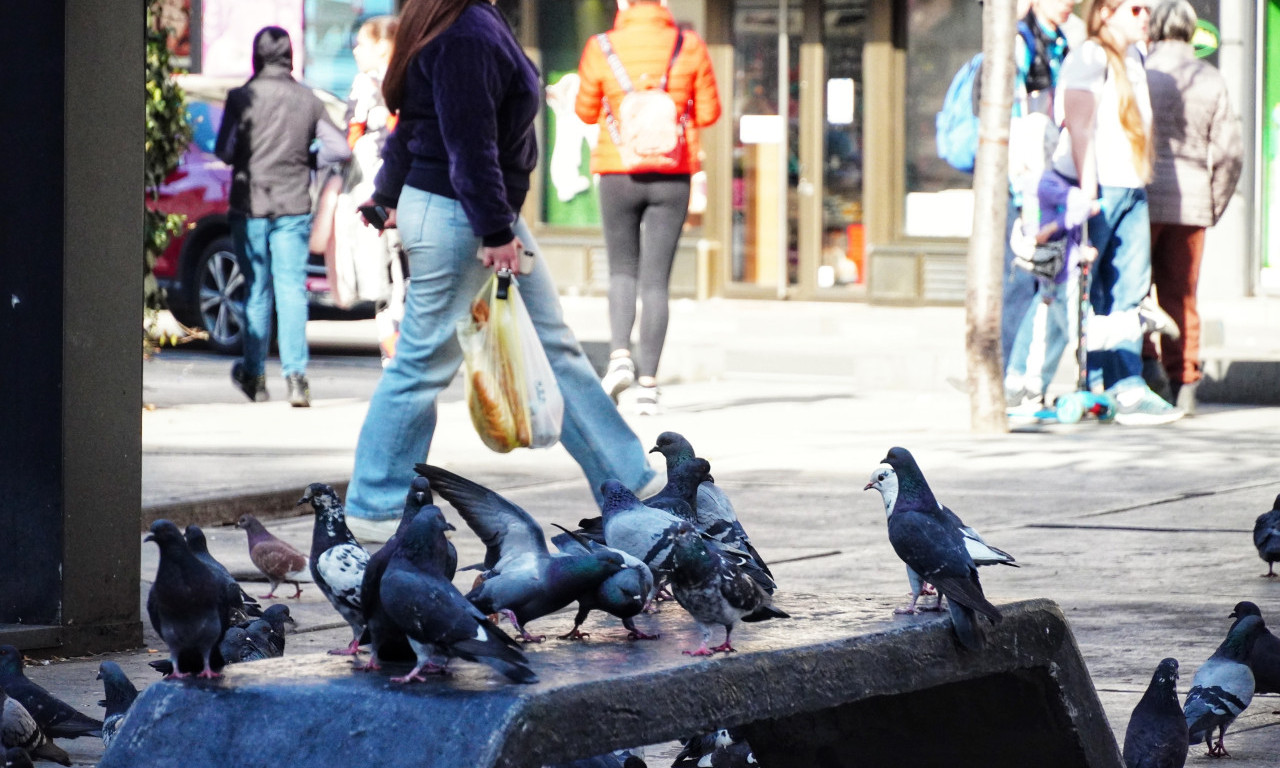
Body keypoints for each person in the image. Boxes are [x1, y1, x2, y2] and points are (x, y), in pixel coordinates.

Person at [342, 0, 659, 543]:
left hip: (469, 210)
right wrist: (493, 233)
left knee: (554, 346)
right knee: (420, 362)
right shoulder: (464, 31)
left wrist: (390, 193)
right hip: (463, 214)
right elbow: (470, 146)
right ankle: (374, 505)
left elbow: (415, 125)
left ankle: (630, 480)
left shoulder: (448, 21)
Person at [575, 0, 721, 416]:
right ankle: (649, 387)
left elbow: (585, 111)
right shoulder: (688, 44)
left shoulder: (601, 46)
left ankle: (620, 354)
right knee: (656, 282)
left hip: (617, 170)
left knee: (622, 270)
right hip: (672, 174)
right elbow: (709, 112)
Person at [1050, 0, 1183, 425]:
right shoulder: (1089, 54)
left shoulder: (1133, 57)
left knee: (1129, 288)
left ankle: (1123, 385)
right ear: (1105, 11)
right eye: (1136, 9)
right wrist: (1087, 191)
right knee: (1096, 289)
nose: (1146, 17)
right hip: (1102, 186)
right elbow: (1079, 123)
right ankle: (1097, 383)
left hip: (1130, 184)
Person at [214, 26, 351, 407]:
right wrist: (309, 158)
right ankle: (296, 379)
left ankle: (255, 376)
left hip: (250, 205)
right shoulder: (307, 99)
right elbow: (339, 148)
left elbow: (225, 151)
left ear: (256, 56)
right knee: (292, 289)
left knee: (256, 289)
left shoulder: (242, 97)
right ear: (290, 55)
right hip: (293, 206)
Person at [1140, 0, 1243, 414]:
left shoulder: (1141, 71)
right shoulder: (1210, 78)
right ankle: (1183, 379)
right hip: (1193, 201)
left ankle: (1146, 371)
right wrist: (1214, 202)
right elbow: (1230, 153)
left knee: (1136, 293)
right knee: (1182, 296)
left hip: (1140, 197)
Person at [1001, 0, 1074, 406]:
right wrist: (1024, 182)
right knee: (1024, 281)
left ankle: (1023, 381)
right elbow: (1014, 115)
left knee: (1044, 283)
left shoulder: (1060, 40)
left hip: (1047, 179)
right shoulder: (1020, 41)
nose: (1069, 3)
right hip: (1025, 183)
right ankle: (1009, 382)